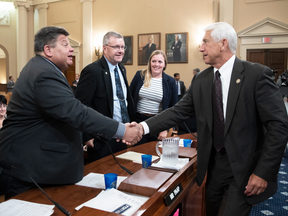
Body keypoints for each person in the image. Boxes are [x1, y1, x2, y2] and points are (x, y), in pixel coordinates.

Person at [135, 22, 288, 216]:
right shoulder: (201, 80)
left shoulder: (256, 75)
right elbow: (178, 111)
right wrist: (142, 127)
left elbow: (279, 126)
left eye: (205, 42)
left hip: (246, 168)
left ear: (223, 43)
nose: (200, 48)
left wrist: (263, 172)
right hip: (214, 167)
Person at [0, 26, 141, 200]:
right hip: (28, 169)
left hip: (36, 167)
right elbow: (77, 112)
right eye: (65, 44)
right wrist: (122, 130)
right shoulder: (43, 74)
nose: (71, 48)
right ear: (48, 50)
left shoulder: (44, 69)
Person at [75, 31, 136, 162]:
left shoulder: (122, 69)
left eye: (122, 47)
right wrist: (86, 136)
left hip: (122, 134)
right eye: (116, 47)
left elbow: (125, 100)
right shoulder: (92, 70)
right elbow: (81, 105)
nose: (120, 51)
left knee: (120, 172)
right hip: (101, 138)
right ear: (104, 48)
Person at [130, 50, 177, 145]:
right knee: (137, 153)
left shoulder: (170, 81)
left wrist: (165, 129)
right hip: (138, 122)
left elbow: (173, 108)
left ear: (164, 64)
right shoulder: (140, 75)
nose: (156, 64)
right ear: (149, 62)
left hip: (157, 123)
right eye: (154, 61)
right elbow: (129, 98)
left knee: (154, 153)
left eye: (160, 62)